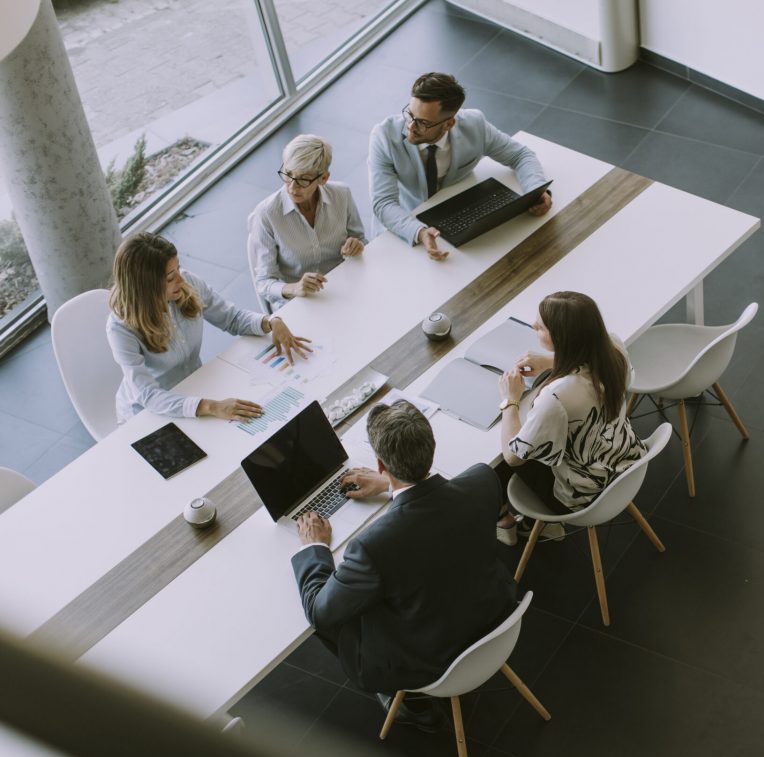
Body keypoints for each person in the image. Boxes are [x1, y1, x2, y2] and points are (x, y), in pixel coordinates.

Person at [291, 400, 517, 730]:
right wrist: (393, 486)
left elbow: (320, 611)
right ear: (431, 445)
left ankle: (407, 700)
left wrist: (315, 546)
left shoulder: (372, 547)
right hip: (495, 615)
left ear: (380, 464)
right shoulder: (483, 481)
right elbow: (444, 503)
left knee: (335, 618)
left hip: (431, 658)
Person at [106, 232, 311, 424]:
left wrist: (271, 322)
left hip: (197, 388)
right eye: (170, 277)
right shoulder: (120, 328)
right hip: (150, 414)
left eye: (178, 268)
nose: (180, 279)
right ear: (145, 286)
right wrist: (211, 406)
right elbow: (147, 395)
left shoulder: (187, 283)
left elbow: (231, 318)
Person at [495, 291, 648, 544]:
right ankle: (532, 525)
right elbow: (591, 357)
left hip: (580, 495)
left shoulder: (556, 397)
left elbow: (513, 456)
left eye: (540, 327)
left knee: (497, 462)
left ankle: (510, 521)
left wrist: (509, 400)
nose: (533, 326)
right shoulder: (615, 348)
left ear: (562, 337)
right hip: (622, 459)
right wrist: (550, 361)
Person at [368, 71, 552, 261]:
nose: (411, 127)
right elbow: (383, 203)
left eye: (423, 122)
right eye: (409, 114)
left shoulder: (475, 124)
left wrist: (536, 191)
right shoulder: (384, 136)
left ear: (449, 123)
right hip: (407, 222)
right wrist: (420, 232)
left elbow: (520, 155)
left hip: (460, 212)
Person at [247, 134, 366, 312]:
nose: (292, 188)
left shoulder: (342, 194)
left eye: (303, 180)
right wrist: (294, 288)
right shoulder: (266, 214)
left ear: (323, 178)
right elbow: (264, 283)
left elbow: (360, 237)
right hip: (299, 304)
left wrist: (357, 244)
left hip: (345, 287)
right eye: (288, 174)